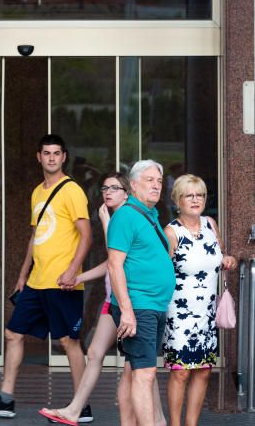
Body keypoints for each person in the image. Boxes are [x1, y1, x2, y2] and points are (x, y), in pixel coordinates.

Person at [0, 134, 93, 420]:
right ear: (39, 157)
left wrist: (73, 270)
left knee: (68, 342)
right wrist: (23, 274)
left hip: (63, 282)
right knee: (13, 333)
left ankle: (82, 405)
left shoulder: (72, 190)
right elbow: (35, 236)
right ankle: (5, 399)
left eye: (56, 153)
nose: (51, 158)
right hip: (37, 281)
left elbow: (87, 236)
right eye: (46, 153)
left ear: (64, 157)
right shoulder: (38, 192)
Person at [39, 172, 129, 425]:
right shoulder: (115, 216)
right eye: (104, 188)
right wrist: (79, 278)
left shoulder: (125, 217)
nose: (107, 192)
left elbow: (117, 255)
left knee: (136, 366)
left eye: (115, 188)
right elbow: (109, 262)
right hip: (113, 299)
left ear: (126, 192)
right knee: (95, 351)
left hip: (130, 300)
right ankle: (75, 410)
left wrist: (105, 223)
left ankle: (149, 419)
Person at [162, 174, 237, 426]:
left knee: (204, 371)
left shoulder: (210, 224)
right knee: (181, 372)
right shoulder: (171, 232)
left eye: (200, 195)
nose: (195, 200)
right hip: (179, 310)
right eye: (188, 195)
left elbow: (218, 256)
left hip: (206, 311)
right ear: (177, 201)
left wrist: (228, 259)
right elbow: (161, 272)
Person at [107, 160, 176, 426]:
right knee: (144, 373)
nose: (156, 185)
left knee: (137, 371)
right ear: (133, 185)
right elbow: (114, 264)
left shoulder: (150, 216)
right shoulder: (126, 215)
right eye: (149, 180)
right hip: (138, 305)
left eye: (159, 181)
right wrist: (126, 311)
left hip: (153, 305)